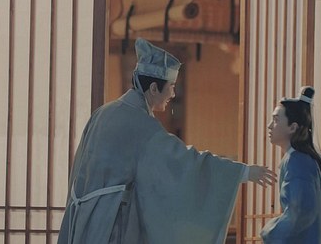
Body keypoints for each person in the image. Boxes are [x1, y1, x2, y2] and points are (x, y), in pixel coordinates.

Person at [58, 38, 276, 244]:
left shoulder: (102, 113)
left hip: (82, 221)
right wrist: (242, 172)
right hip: (113, 224)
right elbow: (185, 162)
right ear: (154, 88)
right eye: (171, 86)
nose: (173, 93)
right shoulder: (142, 125)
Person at [261, 87, 321, 244]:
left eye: (276, 120)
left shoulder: (298, 161)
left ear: (293, 127)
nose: (269, 125)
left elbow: (301, 212)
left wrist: (269, 231)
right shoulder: (318, 158)